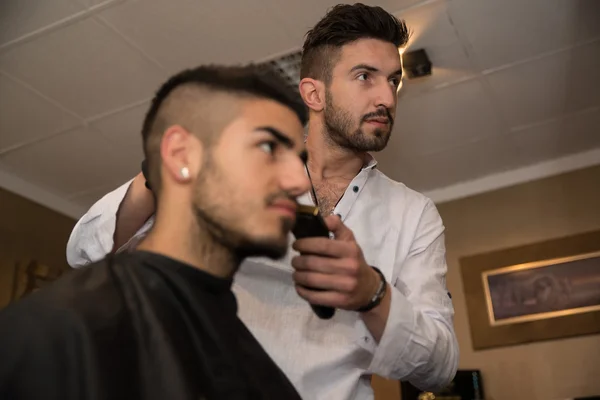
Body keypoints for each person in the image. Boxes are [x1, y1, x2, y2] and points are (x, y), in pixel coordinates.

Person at [67, 3, 459, 399]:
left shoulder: (414, 214)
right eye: (365, 77)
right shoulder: (242, 171)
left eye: (393, 81)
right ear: (313, 93)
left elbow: (439, 368)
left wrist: (372, 293)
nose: (387, 98)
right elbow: (85, 252)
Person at [0, 65, 310, 400]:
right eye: (268, 147)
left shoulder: (271, 385)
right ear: (181, 155)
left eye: (299, 158)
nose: (299, 181)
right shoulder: (57, 331)